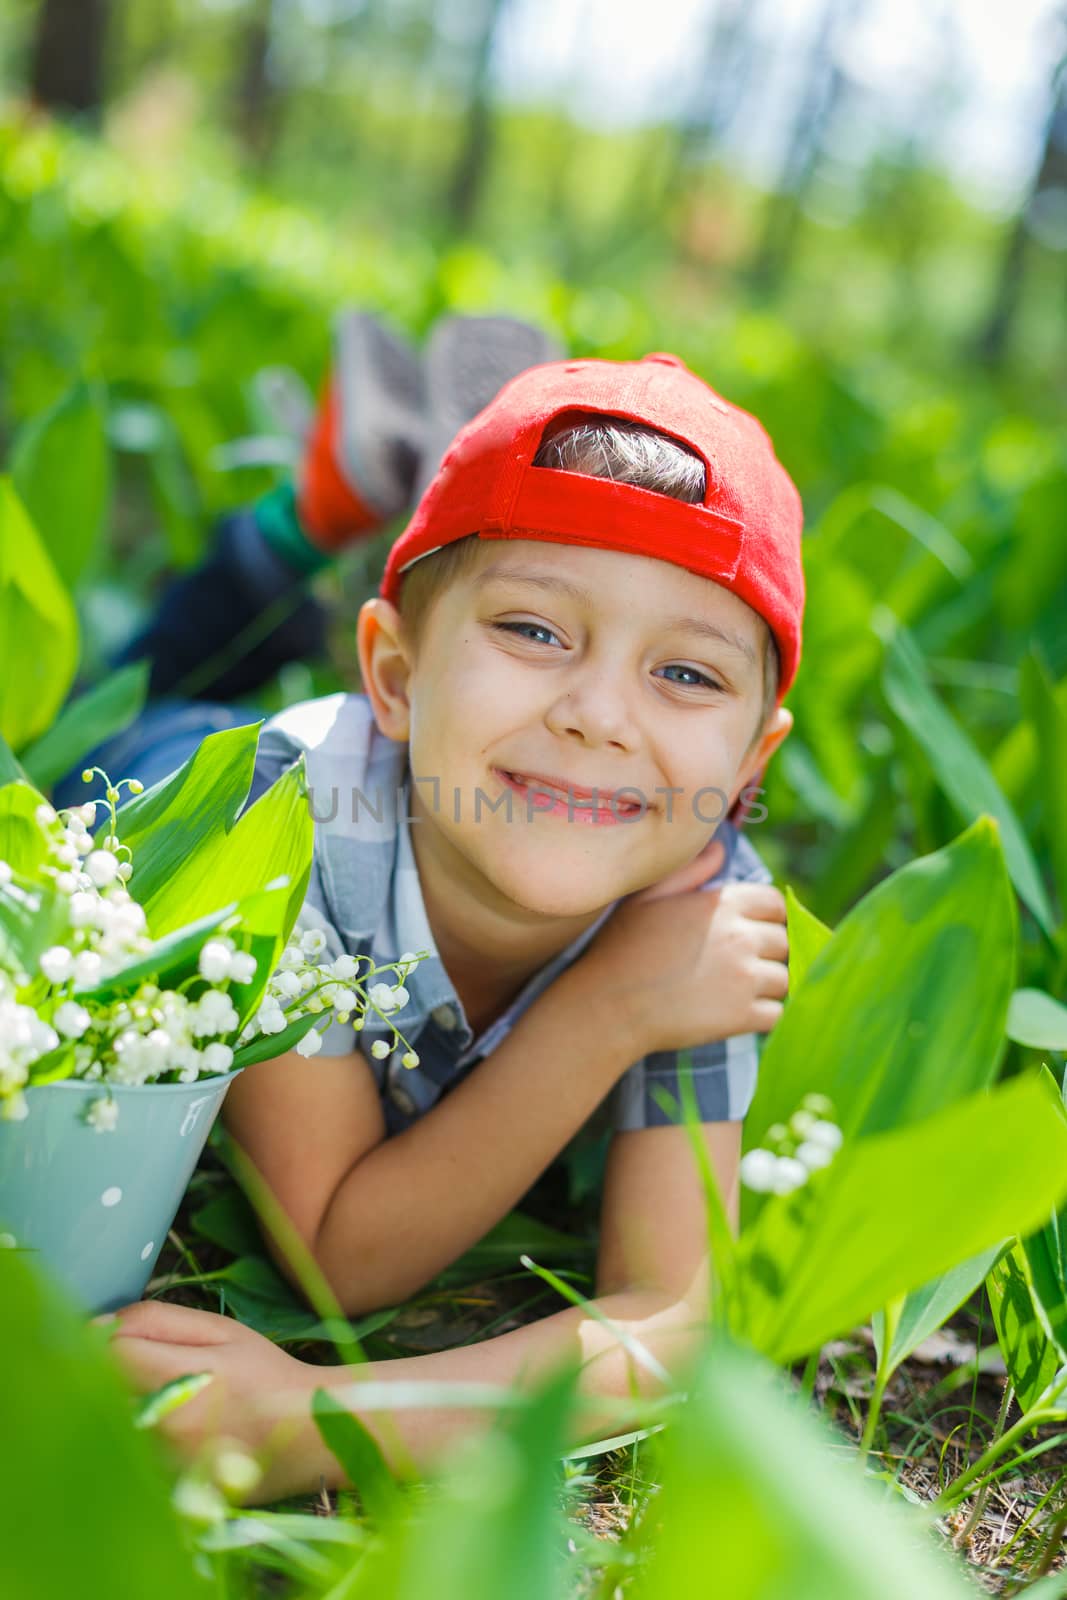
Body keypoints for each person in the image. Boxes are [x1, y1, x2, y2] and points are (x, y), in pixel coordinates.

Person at [98, 337, 802, 1506]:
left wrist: (327, 1419)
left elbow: (674, 1313)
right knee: (136, 693)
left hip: (393, 753)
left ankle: (370, 489)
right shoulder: (282, 830)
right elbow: (337, 1249)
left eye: (685, 675)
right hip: (164, 781)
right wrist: (608, 1008)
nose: (596, 716)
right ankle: (304, 514)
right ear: (395, 674)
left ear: (745, 767)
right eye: (533, 630)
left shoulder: (695, 894)